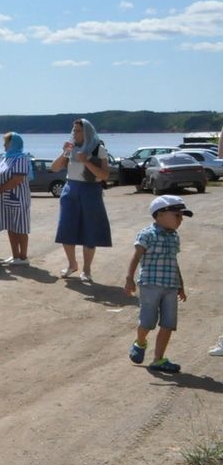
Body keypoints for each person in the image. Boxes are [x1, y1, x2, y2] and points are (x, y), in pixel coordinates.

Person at [125, 195, 191, 373]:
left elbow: (173, 262)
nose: (180, 219)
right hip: (150, 284)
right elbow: (136, 256)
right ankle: (140, 342)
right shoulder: (148, 234)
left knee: (168, 324)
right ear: (160, 214)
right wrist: (129, 278)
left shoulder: (174, 236)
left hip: (170, 286)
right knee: (147, 322)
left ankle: (158, 359)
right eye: (177, 215)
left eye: (181, 216)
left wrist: (181, 285)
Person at [51, 118, 112, 282]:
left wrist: (85, 161)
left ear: (87, 132)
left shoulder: (99, 149)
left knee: (89, 231)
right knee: (66, 229)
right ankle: (72, 264)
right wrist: (65, 152)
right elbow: (54, 168)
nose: (75, 134)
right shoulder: (71, 148)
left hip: (91, 190)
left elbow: (104, 175)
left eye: (78, 131)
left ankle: (86, 269)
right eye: (74, 131)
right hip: (70, 190)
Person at [0, 133, 32, 265]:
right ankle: (15, 256)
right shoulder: (4, 158)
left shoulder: (21, 158)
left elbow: (17, 179)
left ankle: (23, 257)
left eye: (6, 143)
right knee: (10, 226)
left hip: (18, 198)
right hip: (4, 198)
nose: (4, 145)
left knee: (20, 227)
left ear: (14, 143)